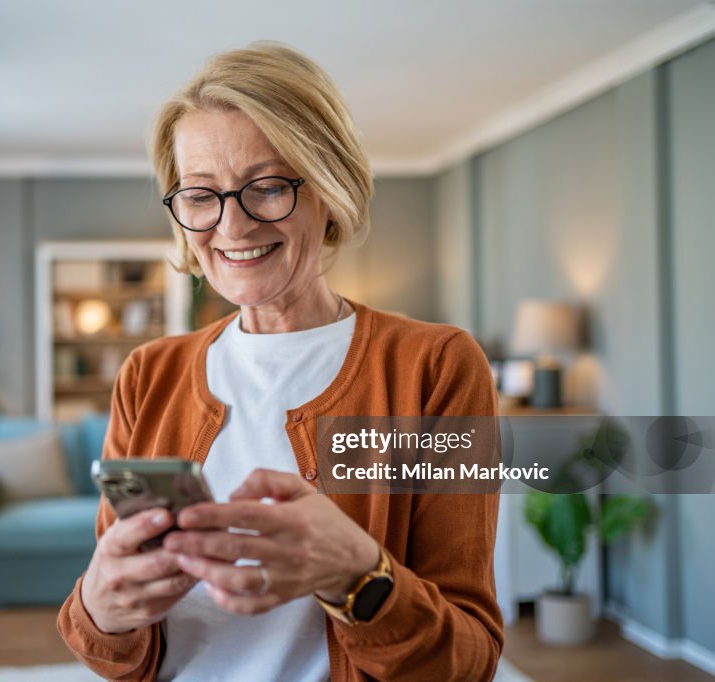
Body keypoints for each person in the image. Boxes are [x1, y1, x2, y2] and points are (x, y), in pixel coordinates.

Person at [57, 42, 502, 681]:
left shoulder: (432, 367)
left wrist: (359, 574)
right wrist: (100, 608)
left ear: (329, 187)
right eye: (201, 195)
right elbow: (111, 650)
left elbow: (468, 659)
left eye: (265, 188)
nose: (231, 227)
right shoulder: (148, 374)